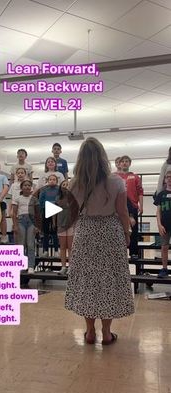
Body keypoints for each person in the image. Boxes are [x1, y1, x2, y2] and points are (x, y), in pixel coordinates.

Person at [65, 137, 134, 345]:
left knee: (88, 282)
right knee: (109, 282)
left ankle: (89, 332)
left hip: (85, 233)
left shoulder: (74, 183)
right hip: (111, 233)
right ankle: (106, 332)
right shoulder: (116, 182)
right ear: (103, 157)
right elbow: (122, 212)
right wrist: (127, 232)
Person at [117, 155, 143, 259]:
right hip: (118, 206)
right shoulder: (115, 176)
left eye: (127, 161)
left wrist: (141, 205)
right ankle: (119, 253)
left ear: (130, 163)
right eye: (122, 161)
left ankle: (133, 252)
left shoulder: (135, 177)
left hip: (132, 206)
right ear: (119, 163)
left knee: (133, 230)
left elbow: (140, 192)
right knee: (119, 230)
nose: (124, 163)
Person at [12, 180, 39, 273]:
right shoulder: (17, 198)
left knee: (31, 244)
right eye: (25, 185)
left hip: (32, 222)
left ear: (31, 187)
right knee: (21, 244)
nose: (27, 187)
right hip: (21, 221)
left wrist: (37, 226)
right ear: (21, 187)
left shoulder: (34, 199)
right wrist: (15, 225)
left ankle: (30, 266)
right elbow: (14, 213)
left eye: (29, 185)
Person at [56, 180, 77, 274]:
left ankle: (71, 267)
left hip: (71, 225)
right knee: (63, 247)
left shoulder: (74, 198)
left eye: (67, 185)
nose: (65, 186)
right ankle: (63, 267)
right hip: (61, 225)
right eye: (63, 185)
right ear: (60, 187)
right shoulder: (58, 198)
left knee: (71, 247)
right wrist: (54, 223)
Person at [154, 171, 171, 278]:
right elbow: (158, 211)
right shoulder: (161, 194)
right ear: (164, 180)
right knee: (164, 247)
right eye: (167, 177)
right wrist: (159, 225)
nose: (169, 179)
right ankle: (164, 269)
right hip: (165, 225)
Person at [39, 174, 59, 256]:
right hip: (46, 210)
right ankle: (45, 250)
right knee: (46, 232)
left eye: (54, 179)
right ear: (47, 181)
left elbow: (60, 200)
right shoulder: (44, 190)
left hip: (56, 211)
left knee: (55, 231)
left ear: (57, 181)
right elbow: (41, 201)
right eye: (50, 179)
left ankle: (56, 251)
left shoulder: (59, 190)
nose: (52, 181)